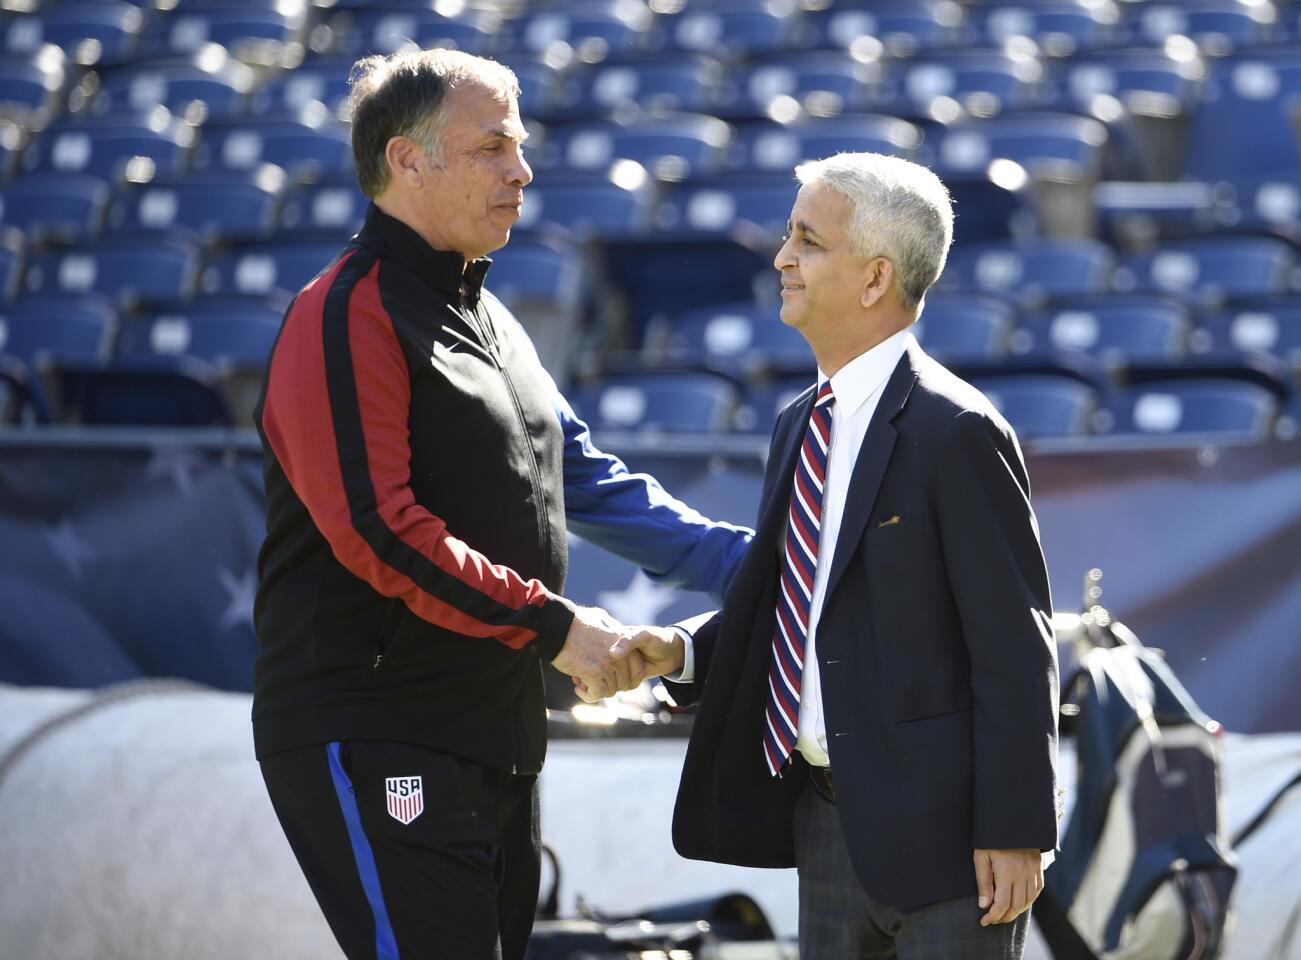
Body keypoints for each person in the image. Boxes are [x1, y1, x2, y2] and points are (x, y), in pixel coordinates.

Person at [251, 50, 751, 960]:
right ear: (408, 161)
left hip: (496, 732)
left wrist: (757, 568)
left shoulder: (492, 317)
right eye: (493, 148)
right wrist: (559, 628)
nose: (522, 172)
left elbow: (586, 479)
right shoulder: (341, 313)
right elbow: (378, 532)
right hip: (378, 728)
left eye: (517, 148)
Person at [599, 153, 1061, 959]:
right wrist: (682, 651)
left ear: (875, 278)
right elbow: (796, 597)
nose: (781, 258)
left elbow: (1015, 646)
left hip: (951, 842)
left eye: (806, 241)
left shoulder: (957, 430)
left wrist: (1016, 829)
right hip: (825, 822)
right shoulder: (796, 424)